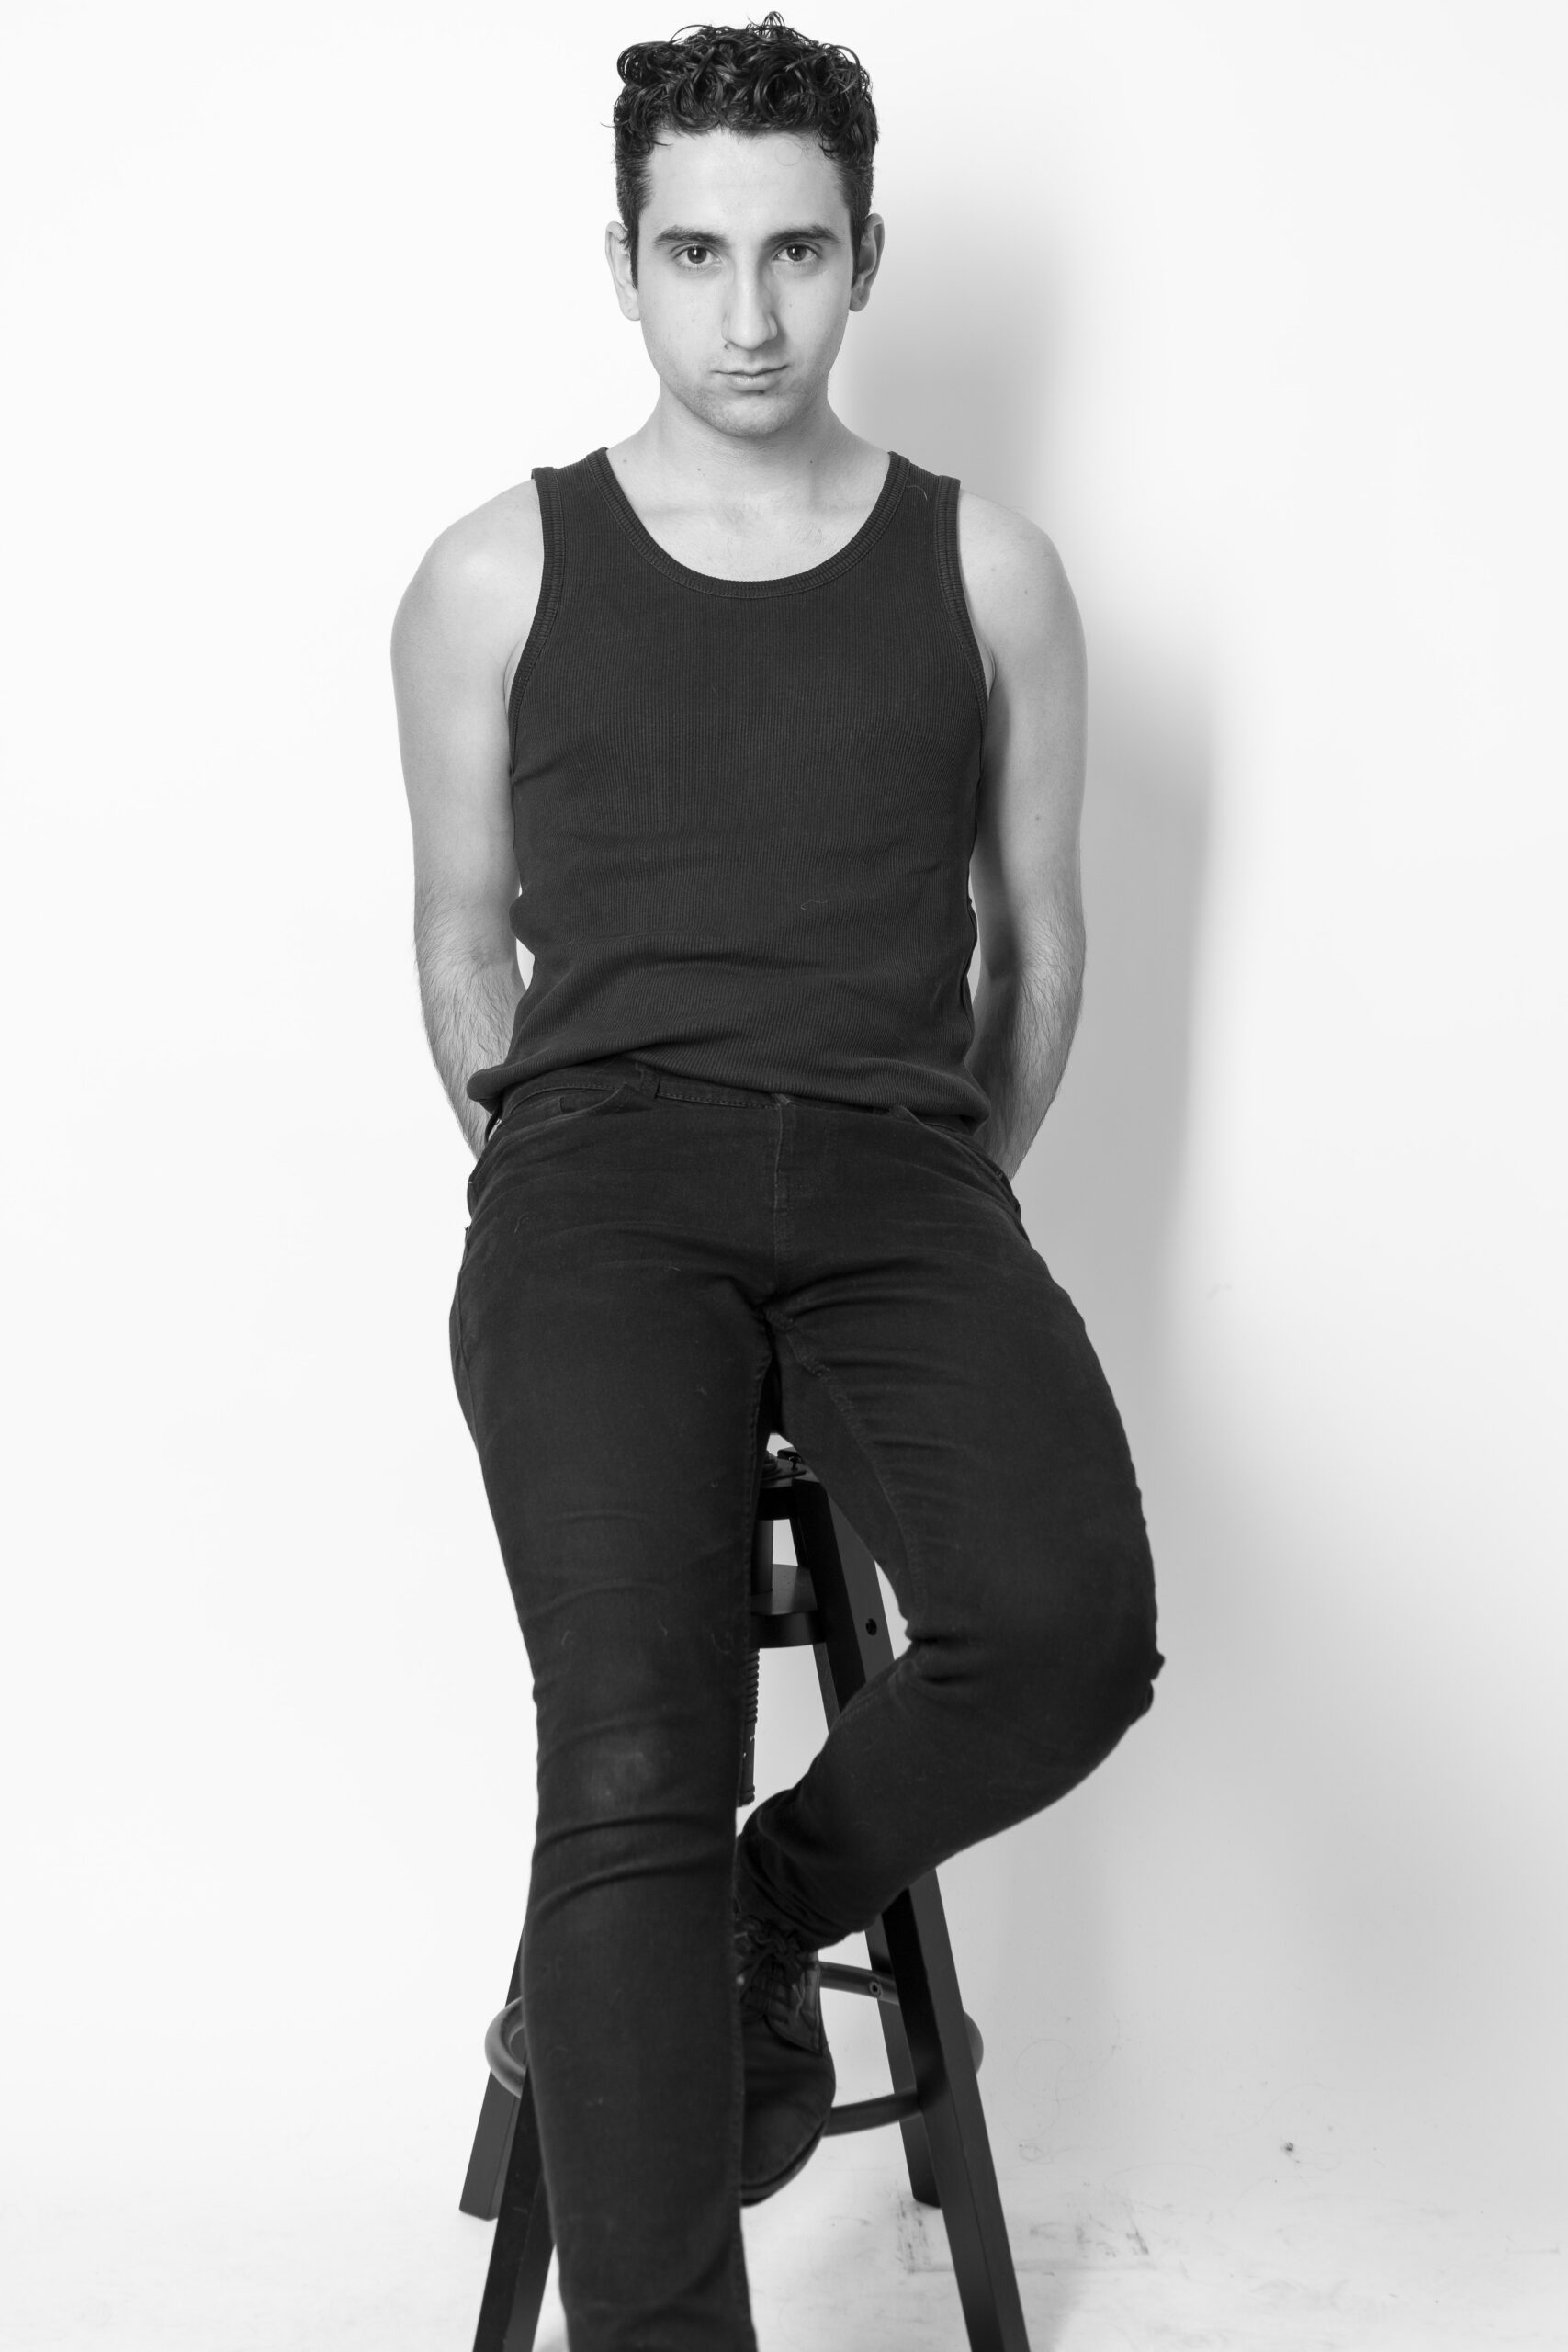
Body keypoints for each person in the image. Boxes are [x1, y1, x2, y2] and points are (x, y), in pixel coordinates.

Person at [391, 15, 1162, 2346]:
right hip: (596, 1173)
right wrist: (550, 1177)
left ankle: (740, 1907)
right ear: (622, 262)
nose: (747, 313)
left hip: (891, 1168)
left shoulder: (988, 568)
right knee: (626, 1748)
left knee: (1061, 1625)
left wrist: (939, 1181)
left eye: (794, 254)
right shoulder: (493, 569)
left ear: (863, 257)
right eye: (696, 255)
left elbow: (1037, 950)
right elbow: (460, 946)